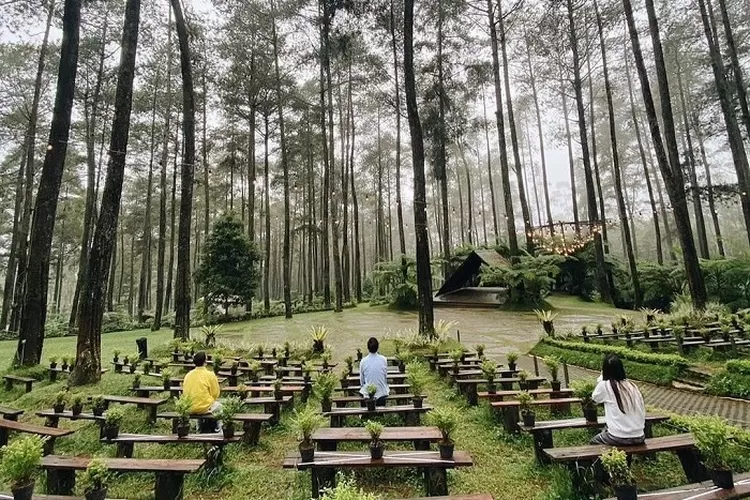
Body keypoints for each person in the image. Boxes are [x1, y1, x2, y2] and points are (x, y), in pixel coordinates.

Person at [590, 355, 646, 445]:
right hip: (640, 436)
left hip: (618, 437)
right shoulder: (632, 385)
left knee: (594, 442)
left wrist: (601, 379)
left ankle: (607, 459)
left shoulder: (605, 385)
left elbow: (595, 398)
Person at [182, 351, 222, 430]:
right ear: (205, 361)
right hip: (204, 407)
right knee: (219, 407)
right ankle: (219, 429)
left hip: (190, 407)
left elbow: (185, 392)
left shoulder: (188, 375)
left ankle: (199, 428)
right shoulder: (210, 375)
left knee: (199, 405)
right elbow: (215, 393)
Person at [359, 337, 390, 406]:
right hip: (382, 392)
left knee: (363, 390)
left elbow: (361, 380)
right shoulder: (384, 359)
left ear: (368, 348)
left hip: (368, 394)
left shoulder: (363, 361)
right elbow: (385, 376)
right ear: (377, 347)